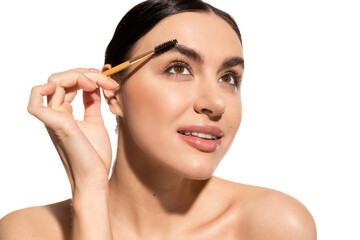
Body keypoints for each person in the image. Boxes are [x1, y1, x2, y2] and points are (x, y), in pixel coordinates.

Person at [0, 0, 316, 239]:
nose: (215, 102)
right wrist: (91, 194)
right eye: (178, 68)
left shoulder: (272, 225)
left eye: (229, 78)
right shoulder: (28, 232)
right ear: (113, 93)